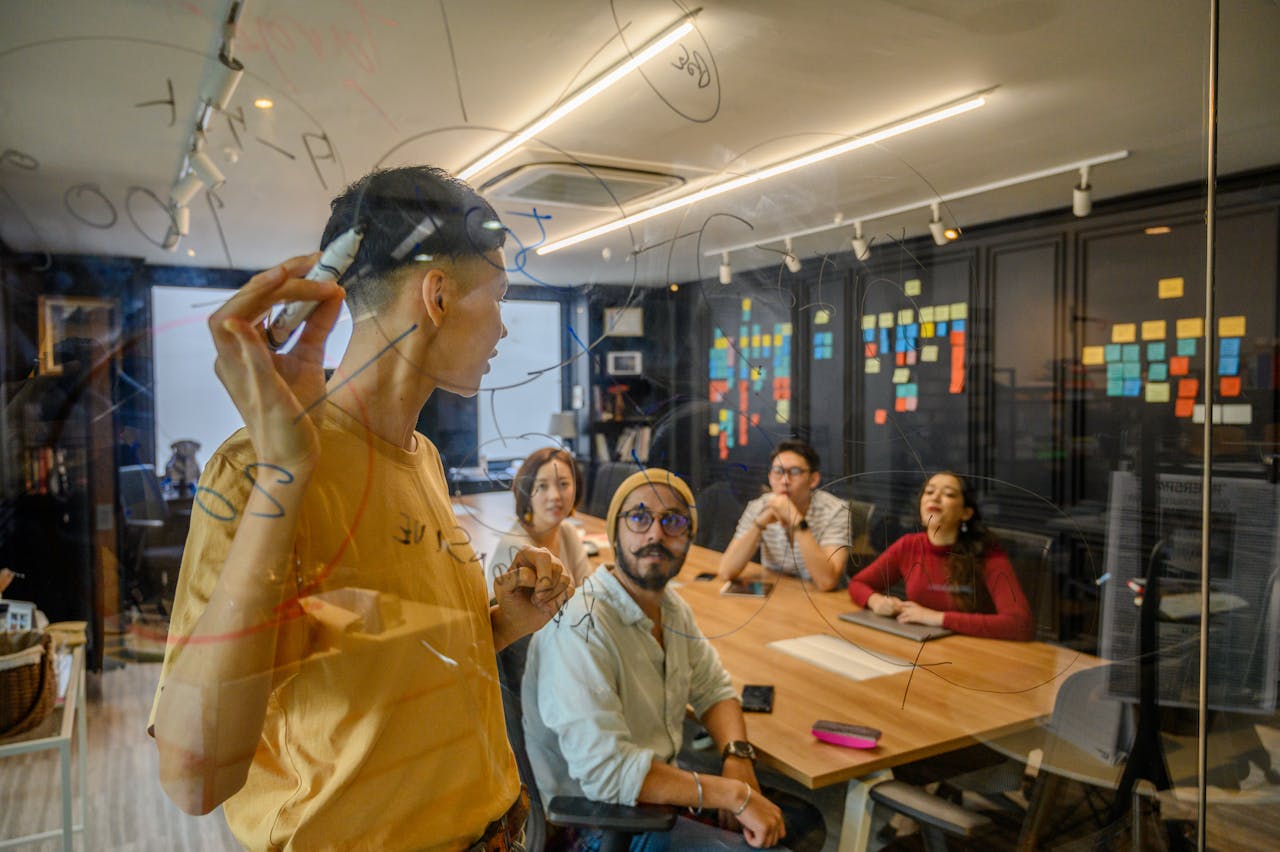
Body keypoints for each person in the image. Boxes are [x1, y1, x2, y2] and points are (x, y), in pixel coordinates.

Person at [148, 166, 573, 850]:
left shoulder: (422, 457)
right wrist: (284, 474)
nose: (502, 328)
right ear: (437, 295)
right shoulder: (256, 471)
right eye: (498, 297)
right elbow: (192, 778)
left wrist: (497, 625)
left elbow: (368, 669)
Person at [524, 468, 827, 851]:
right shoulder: (581, 626)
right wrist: (732, 795)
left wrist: (737, 757)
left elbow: (715, 690)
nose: (655, 534)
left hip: (657, 792)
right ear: (615, 533)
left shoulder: (671, 609)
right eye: (639, 517)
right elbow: (607, 774)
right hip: (597, 824)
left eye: (673, 521)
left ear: (688, 539)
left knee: (802, 822)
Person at [847, 471, 1033, 641]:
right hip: (921, 645)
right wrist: (876, 601)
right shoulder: (908, 546)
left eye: (949, 494)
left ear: (966, 513)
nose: (934, 497)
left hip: (975, 651)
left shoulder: (987, 552)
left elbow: (1020, 624)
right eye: (929, 492)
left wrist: (936, 618)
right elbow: (858, 583)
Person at [718, 440, 850, 591]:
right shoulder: (758, 507)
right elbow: (726, 571)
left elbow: (826, 582)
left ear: (813, 479)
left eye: (795, 472)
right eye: (778, 471)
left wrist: (796, 520)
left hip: (824, 598)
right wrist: (759, 523)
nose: (785, 480)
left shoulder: (836, 510)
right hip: (779, 591)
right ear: (769, 477)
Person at [485, 446, 592, 596]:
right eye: (542, 486)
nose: (555, 496)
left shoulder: (567, 531)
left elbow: (590, 592)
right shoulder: (515, 548)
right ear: (526, 492)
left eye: (563, 484)